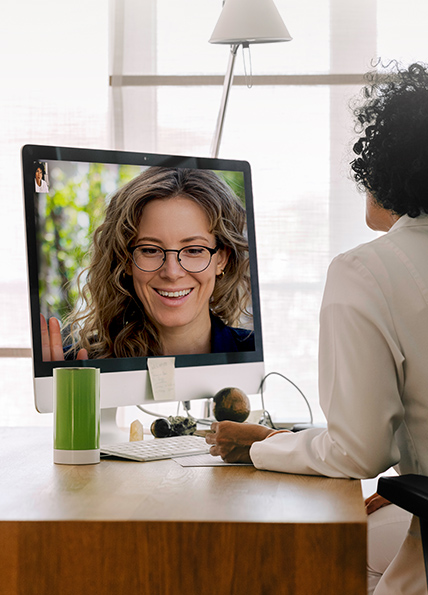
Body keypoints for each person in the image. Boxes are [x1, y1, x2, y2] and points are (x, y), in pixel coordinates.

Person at [206, 62, 428, 595]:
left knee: (314, 559)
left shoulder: (369, 270)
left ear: (383, 167)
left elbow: (358, 453)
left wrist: (262, 445)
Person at [42, 166, 254, 360]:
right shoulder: (79, 367)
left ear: (222, 259)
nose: (172, 272)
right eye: (150, 250)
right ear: (126, 260)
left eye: (194, 250)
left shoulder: (256, 356)